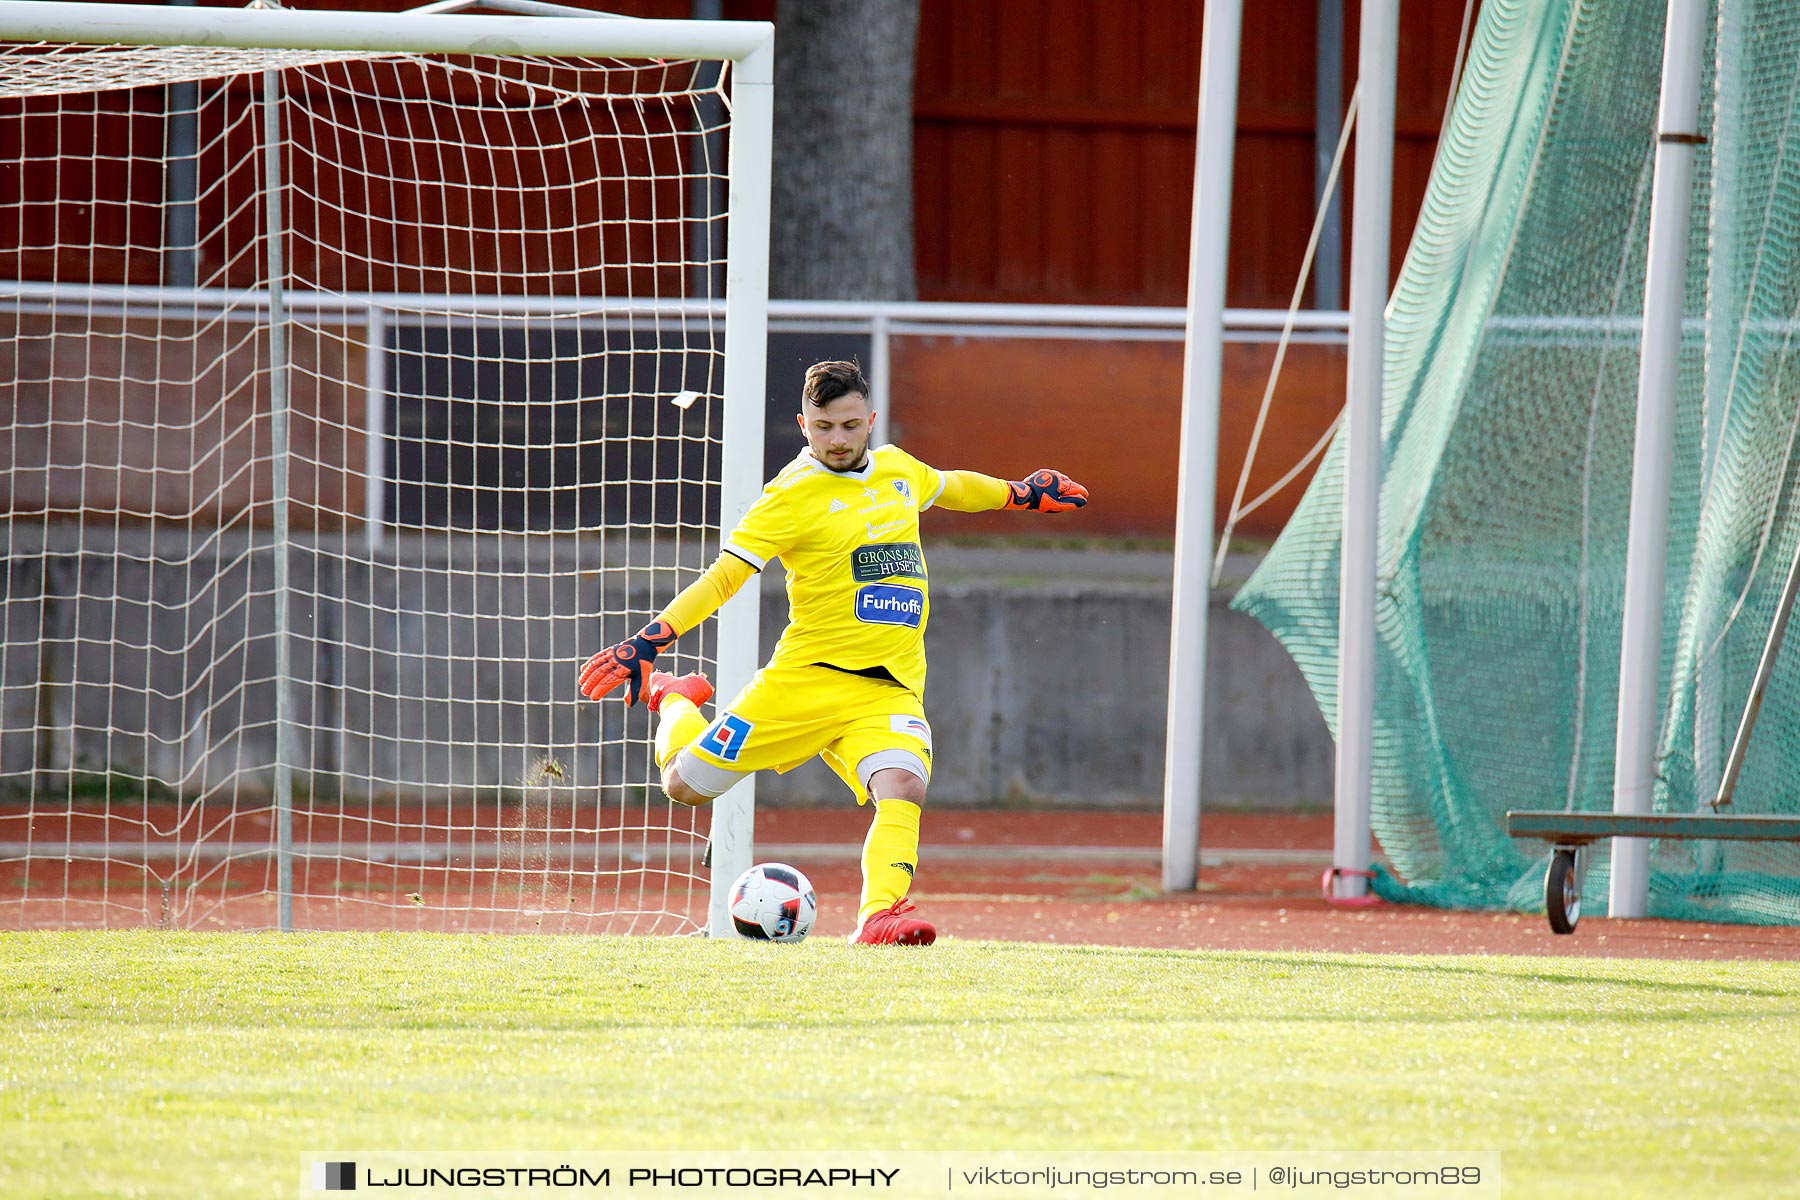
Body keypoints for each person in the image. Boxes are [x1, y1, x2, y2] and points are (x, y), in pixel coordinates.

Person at [577, 360, 1088, 945]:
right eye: (824, 427)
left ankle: (879, 915)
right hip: (803, 681)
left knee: (903, 783)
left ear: (870, 420)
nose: (837, 440)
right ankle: (675, 697)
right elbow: (722, 579)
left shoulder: (898, 470)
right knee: (684, 786)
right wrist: (652, 638)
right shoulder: (787, 497)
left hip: (887, 686)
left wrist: (1018, 493)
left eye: (849, 426)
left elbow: (951, 486)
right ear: (803, 424)